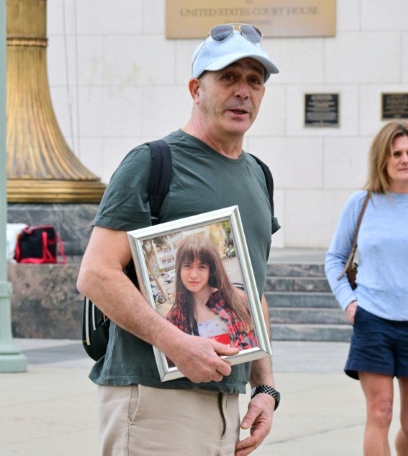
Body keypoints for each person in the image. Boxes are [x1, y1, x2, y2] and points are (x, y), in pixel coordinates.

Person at [77, 23, 281, 456]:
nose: (243, 91)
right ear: (196, 89)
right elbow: (95, 274)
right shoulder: (152, 163)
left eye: (254, 80)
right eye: (228, 77)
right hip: (155, 399)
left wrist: (264, 386)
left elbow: (253, 291)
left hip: (228, 404)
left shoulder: (259, 175)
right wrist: (176, 343)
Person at [324, 121, 408, 456]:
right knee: (380, 412)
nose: (405, 159)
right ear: (382, 159)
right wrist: (350, 304)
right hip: (373, 321)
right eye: (396, 153)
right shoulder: (362, 203)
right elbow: (335, 258)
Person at [167, 235, 258, 350]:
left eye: (201, 267)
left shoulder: (236, 301)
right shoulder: (174, 318)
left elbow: (254, 347)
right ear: (179, 269)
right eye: (187, 266)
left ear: (211, 270)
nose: (193, 275)